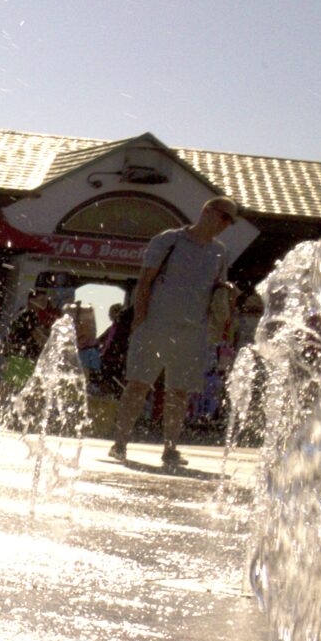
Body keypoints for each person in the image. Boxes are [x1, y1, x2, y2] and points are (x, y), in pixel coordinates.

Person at [113, 196, 239, 468]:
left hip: (193, 330)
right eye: (224, 216)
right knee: (138, 384)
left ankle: (170, 448)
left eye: (230, 220)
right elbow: (145, 280)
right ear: (207, 211)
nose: (226, 224)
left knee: (179, 392)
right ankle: (120, 443)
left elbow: (217, 289)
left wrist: (224, 309)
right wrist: (140, 318)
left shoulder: (220, 252)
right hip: (156, 323)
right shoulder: (168, 240)